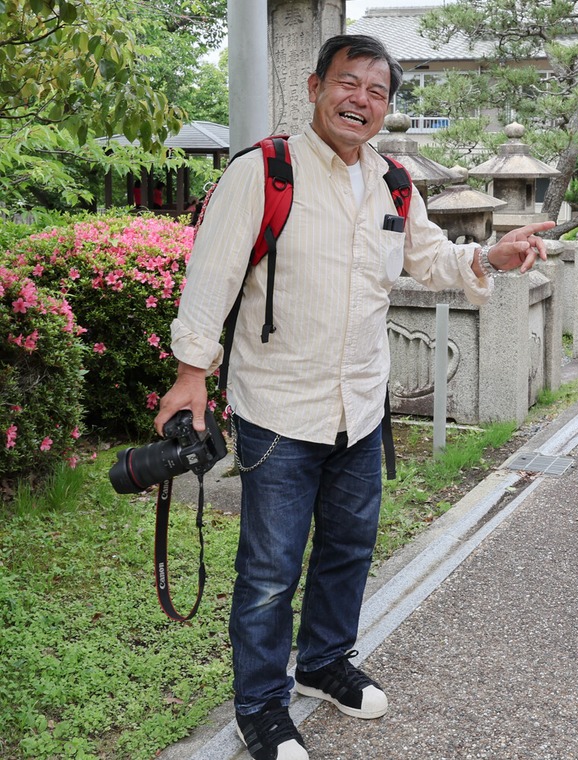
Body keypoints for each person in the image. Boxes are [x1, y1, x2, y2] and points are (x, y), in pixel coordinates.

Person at [154, 35, 554, 760]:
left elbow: (429, 259)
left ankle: (324, 662)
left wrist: (491, 255)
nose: (361, 100)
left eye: (377, 91)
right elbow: (211, 278)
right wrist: (191, 374)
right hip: (279, 407)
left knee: (347, 549)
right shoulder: (265, 171)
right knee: (270, 571)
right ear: (315, 88)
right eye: (348, 83)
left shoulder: (393, 181)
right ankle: (261, 705)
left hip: (362, 407)